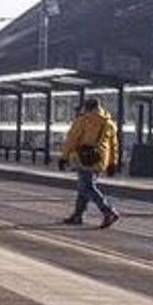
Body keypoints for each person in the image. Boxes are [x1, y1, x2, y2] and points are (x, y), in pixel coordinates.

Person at [58, 97, 121, 229]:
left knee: (87, 187)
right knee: (84, 187)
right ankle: (77, 215)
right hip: (99, 160)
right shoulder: (109, 123)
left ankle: (107, 211)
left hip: (84, 158)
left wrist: (64, 157)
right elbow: (114, 145)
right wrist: (112, 163)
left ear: (87, 108)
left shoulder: (83, 120)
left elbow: (72, 139)